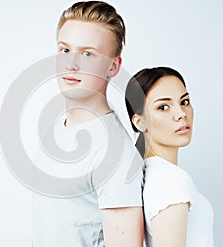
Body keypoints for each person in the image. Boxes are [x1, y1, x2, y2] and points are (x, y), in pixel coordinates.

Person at [32, 1, 144, 246]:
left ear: (113, 67)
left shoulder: (115, 156)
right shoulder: (59, 127)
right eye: (64, 50)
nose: (71, 64)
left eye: (88, 54)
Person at [125, 67, 214, 247]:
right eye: (163, 107)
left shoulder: (148, 175)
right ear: (139, 122)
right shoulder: (171, 181)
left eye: (184, 101)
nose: (181, 114)